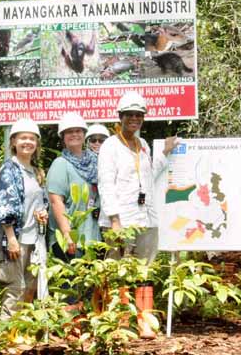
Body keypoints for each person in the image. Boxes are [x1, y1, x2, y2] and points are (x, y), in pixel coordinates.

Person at [97, 91, 178, 339]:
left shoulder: (142, 145)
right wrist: (114, 221)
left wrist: (164, 153)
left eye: (138, 115)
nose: (134, 118)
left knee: (145, 271)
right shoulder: (110, 146)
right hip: (121, 220)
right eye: (129, 114)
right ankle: (121, 323)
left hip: (146, 218)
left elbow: (148, 176)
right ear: (120, 117)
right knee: (119, 271)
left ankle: (145, 322)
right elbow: (105, 184)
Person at [0, 118, 48, 320]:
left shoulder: (36, 171)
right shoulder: (9, 170)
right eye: (23, 138)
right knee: (15, 287)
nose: (27, 142)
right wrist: (11, 238)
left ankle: (22, 330)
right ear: (13, 142)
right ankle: (6, 335)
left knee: (31, 285)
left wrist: (43, 213)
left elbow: (39, 203)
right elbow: (4, 205)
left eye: (32, 138)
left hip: (35, 239)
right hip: (16, 239)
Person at [47, 113, 100, 263]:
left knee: (91, 285)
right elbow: (56, 201)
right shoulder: (60, 164)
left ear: (84, 135)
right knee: (70, 284)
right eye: (69, 131)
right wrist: (67, 233)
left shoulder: (95, 162)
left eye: (78, 131)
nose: (74, 134)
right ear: (63, 136)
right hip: (70, 238)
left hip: (93, 236)